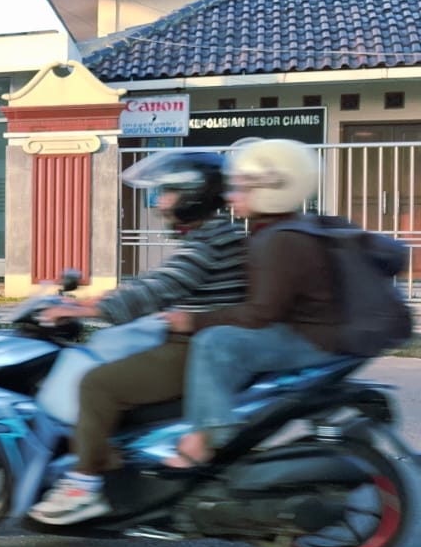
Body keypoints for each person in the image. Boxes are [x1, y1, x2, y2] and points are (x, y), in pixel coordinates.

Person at [27, 150, 248, 524]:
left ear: (193, 195)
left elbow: (156, 291)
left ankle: (83, 487)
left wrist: (81, 312)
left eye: (167, 193)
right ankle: (116, 464)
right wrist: (95, 299)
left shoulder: (208, 244)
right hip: (203, 341)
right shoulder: (214, 235)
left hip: (195, 348)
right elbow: (157, 281)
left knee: (97, 384)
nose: (159, 202)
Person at [161, 137, 340, 466]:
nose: (231, 197)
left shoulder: (280, 239)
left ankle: (207, 436)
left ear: (271, 192)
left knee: (215, 343)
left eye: (242, 189)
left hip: (310, 338)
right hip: (309, 330)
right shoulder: (275, 229)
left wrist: (195, 321)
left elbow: (261, 313)